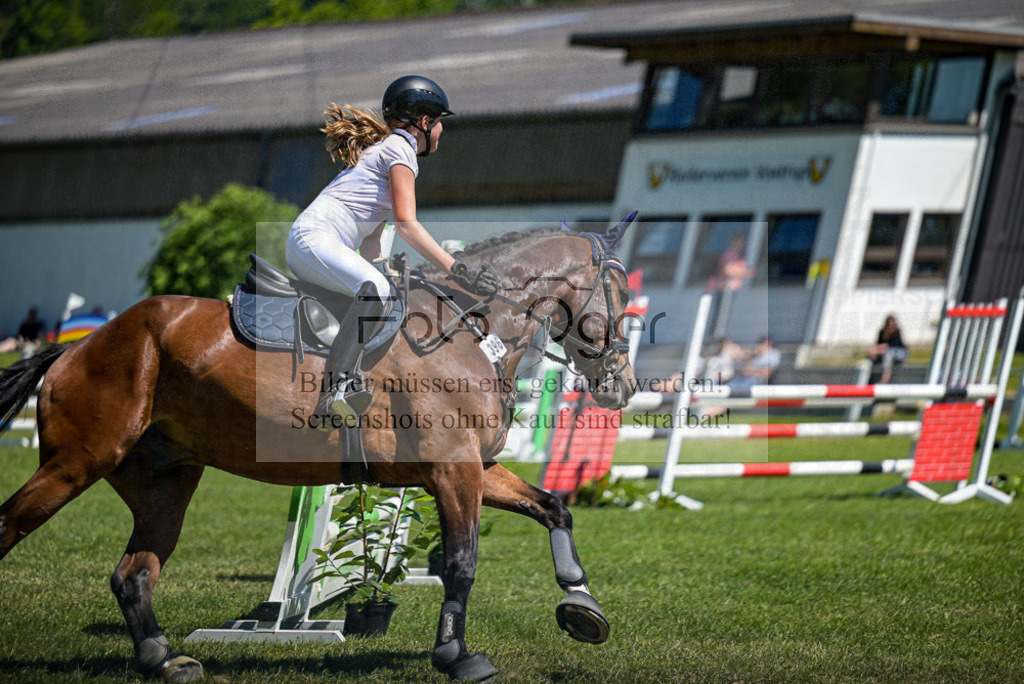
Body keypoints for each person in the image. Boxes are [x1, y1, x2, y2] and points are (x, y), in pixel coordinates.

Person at [286, 75, 499, 428]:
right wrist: (457, 268)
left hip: (314, 242)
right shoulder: (400, 148)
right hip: (315, 239)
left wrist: (389, 268)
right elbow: (407, 224)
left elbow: (371, 244)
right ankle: (334, 390)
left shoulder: (385, 150)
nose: (441, 131)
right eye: (440, 121)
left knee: (383, 288)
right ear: (424, 122)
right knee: (377, 291)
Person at [868, 314, 908, 384]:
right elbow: (878, 344)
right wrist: (875, 350)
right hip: (885, 351)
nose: (891, 325)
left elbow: (893, 345)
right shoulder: (882, 332)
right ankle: (869, 377)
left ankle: (885, 379)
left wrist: (881, 348)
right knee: (872, 353)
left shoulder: (897, 331)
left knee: (888, 354)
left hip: (900, 352)